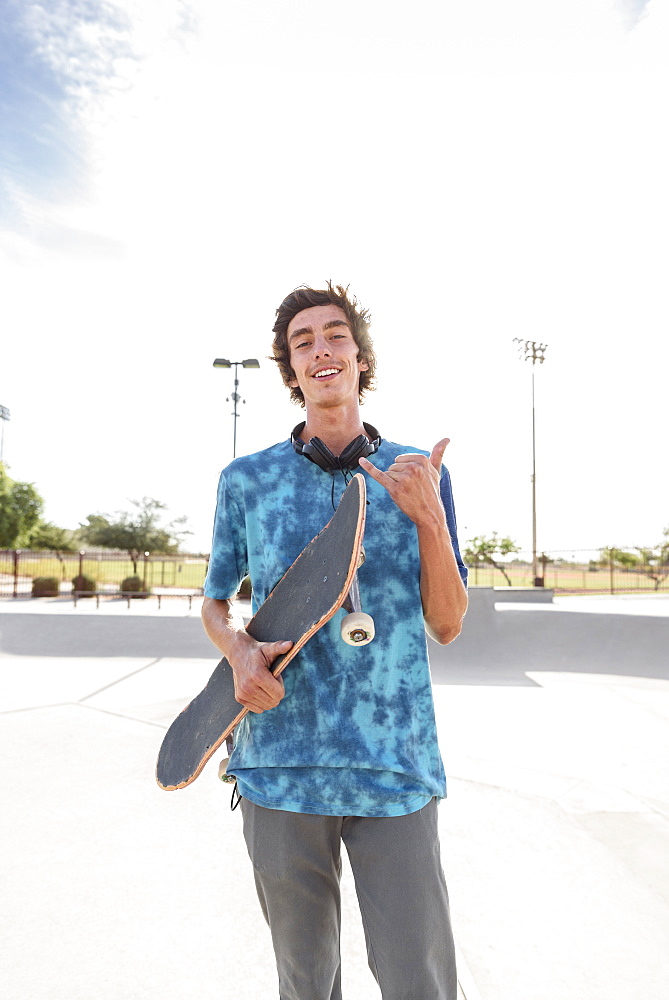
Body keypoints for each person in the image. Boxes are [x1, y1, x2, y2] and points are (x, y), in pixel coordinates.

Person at [202, 283, 468, 1000]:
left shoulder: (419, 472)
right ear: (291, 372)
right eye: (302, 342)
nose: (321, 349)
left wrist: (428, 521)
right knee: (305, 982)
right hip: (281, 762)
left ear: (358, 356)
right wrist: (237, 652)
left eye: (335, 334)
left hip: (393, 763)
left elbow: (446, 622)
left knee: (420, 980)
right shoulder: (247, 480)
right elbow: (215, 600)